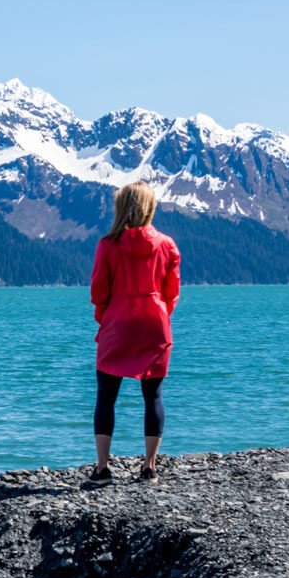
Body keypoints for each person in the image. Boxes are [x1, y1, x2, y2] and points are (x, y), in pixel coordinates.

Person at [87, 181, 181, 485]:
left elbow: (99, 290)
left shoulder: (108, 244)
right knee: (153, 394)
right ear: (150, 207)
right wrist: (160, 315)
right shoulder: (167, 244)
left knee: (106, 395)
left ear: (121, 207)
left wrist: (105, 318)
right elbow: (172, 291)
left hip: (118, 321)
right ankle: (149, 466)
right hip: (154, 321)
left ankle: (102, 467)